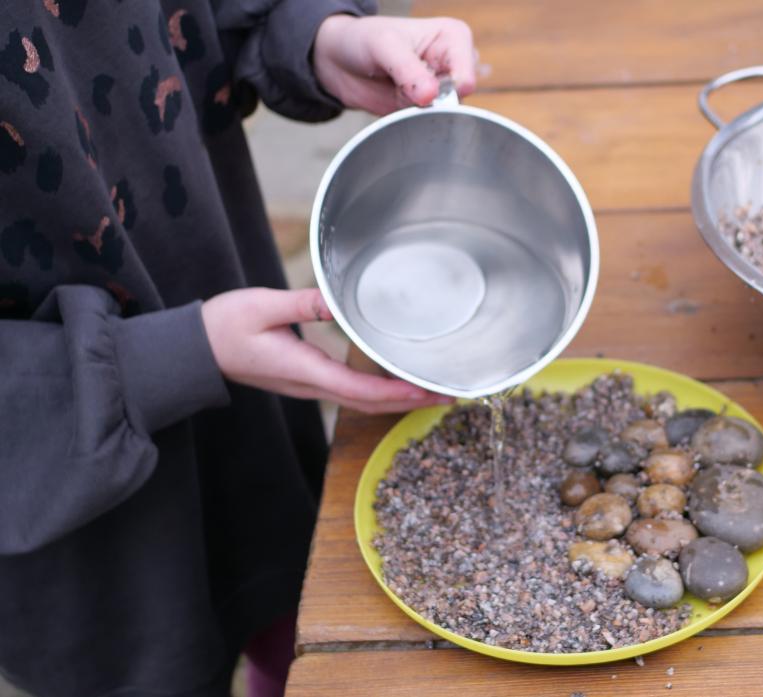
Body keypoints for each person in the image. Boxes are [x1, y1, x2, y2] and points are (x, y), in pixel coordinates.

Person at [0, 2, 476, 696]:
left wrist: (313, 34)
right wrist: (170, 358)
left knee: (290, 595)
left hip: (219, 290)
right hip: (64, 484)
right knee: (157, 663)